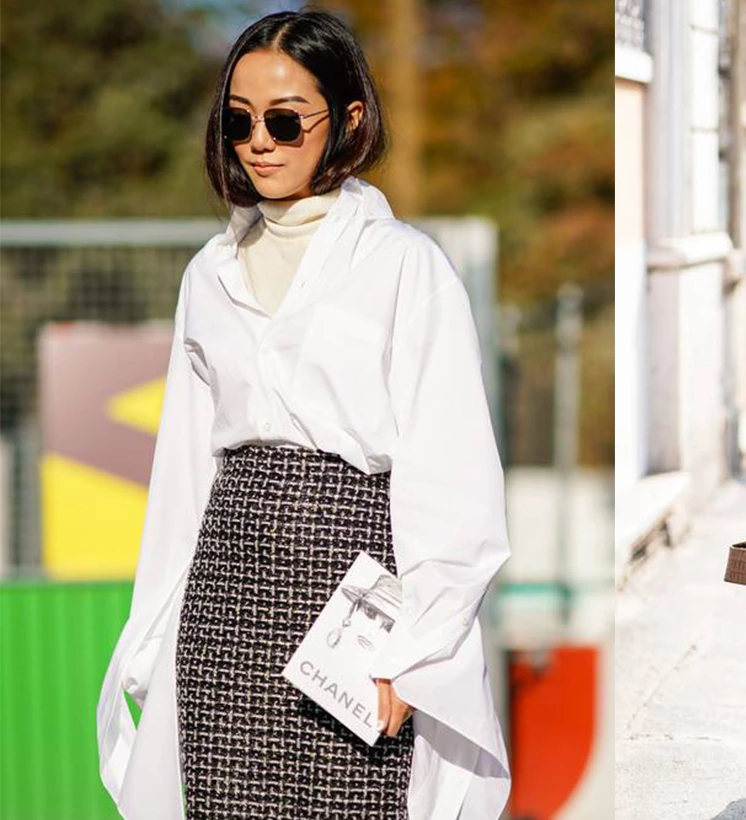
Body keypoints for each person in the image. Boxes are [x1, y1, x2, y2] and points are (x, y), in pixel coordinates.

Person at [95, 10, 511, 820]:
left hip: (355, 598)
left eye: (286, 121)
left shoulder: (405, 266)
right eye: (239, 121)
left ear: (348, 121)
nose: (259, 143)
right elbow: (182, 477)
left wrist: (416, 654)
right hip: (224, 600)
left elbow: (451, 473)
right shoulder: (207, 276)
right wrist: (159, 633)